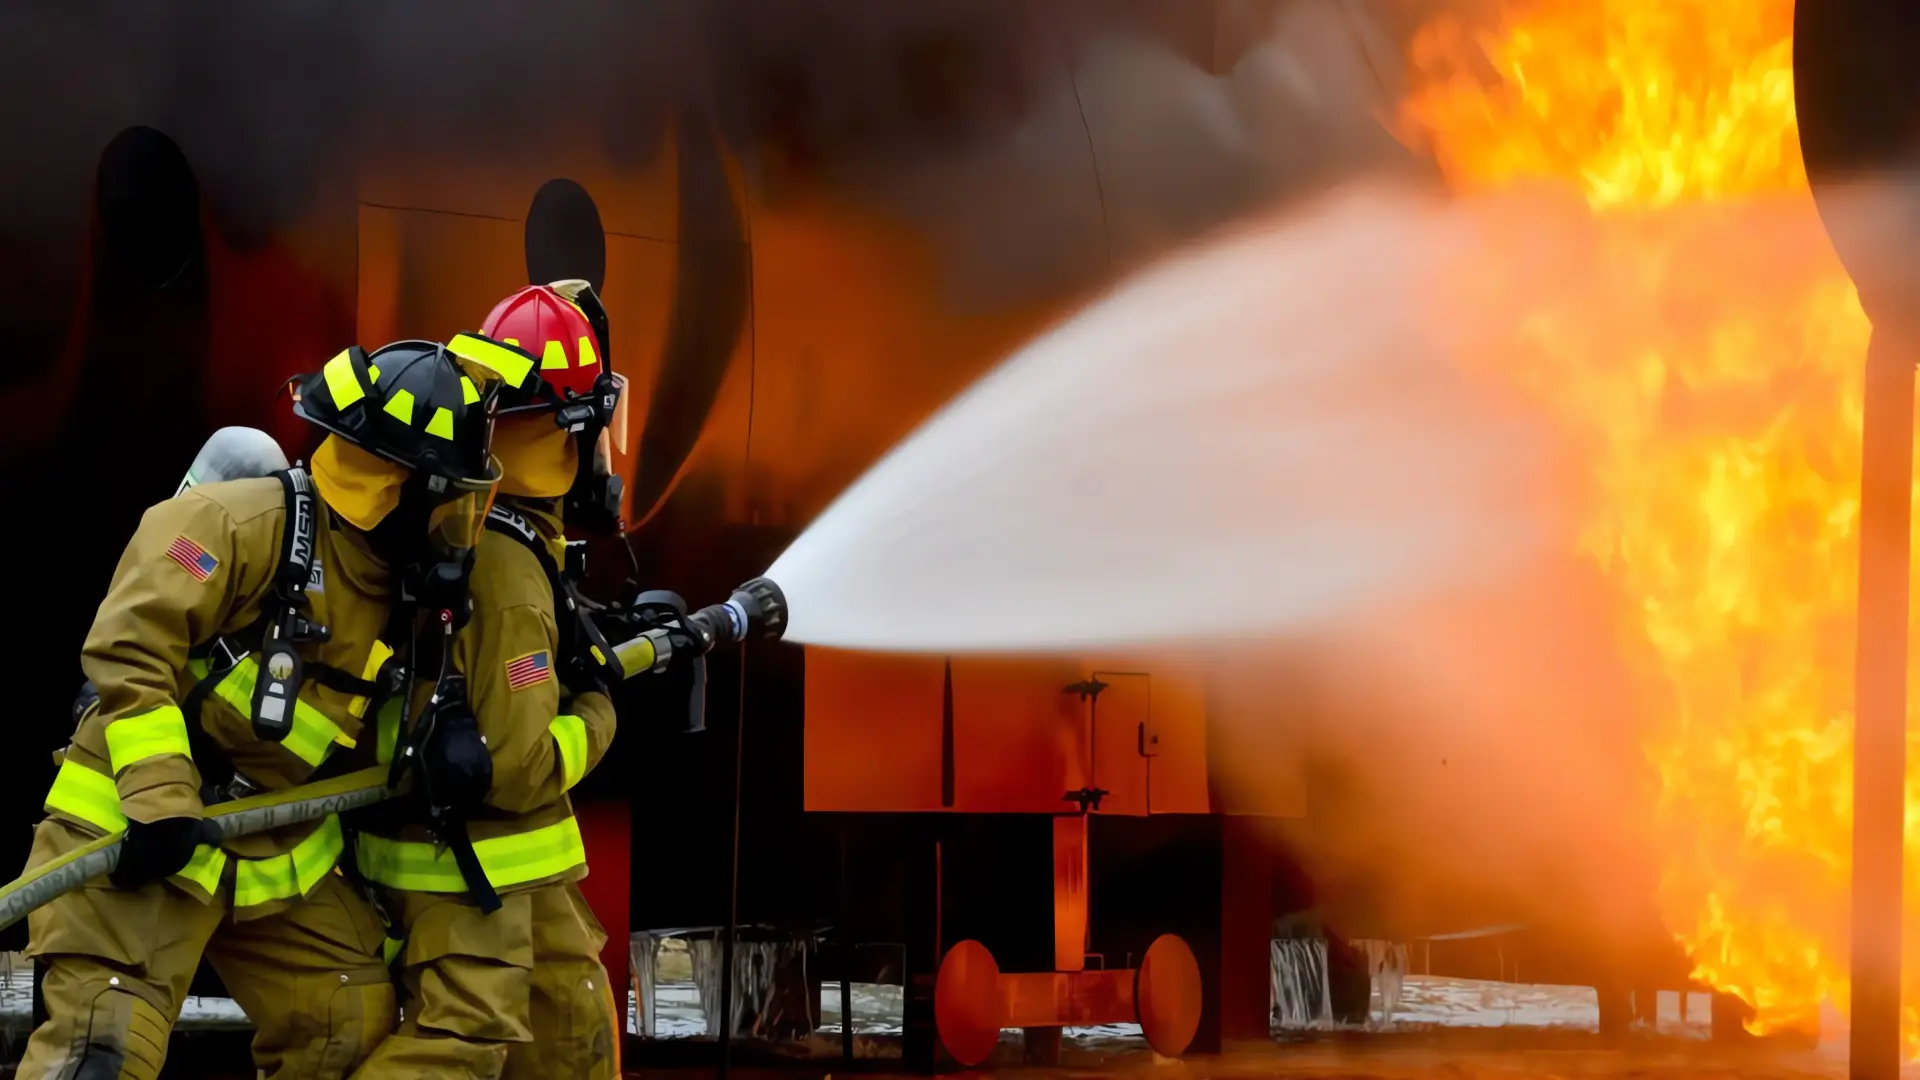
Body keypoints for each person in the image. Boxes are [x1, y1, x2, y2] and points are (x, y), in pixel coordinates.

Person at [17, 340, 504, 1079]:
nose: (460, 525)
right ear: (400, 485)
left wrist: (445, 730)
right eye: (453, 500)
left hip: (269, 850)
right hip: (139, 828)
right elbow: (130, 647)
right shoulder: (234, 524)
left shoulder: (409, 593)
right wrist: (159, 799)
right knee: (102, 1050)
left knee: (349, 1023)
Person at [348, 282, 624, 1079]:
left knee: (571, 1035)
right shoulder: (506, 567)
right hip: (474, 873)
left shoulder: (497, 528)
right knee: (458, 1050)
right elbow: (523, 762)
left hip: (515, 873)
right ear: (580, 428)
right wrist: (601, 706)